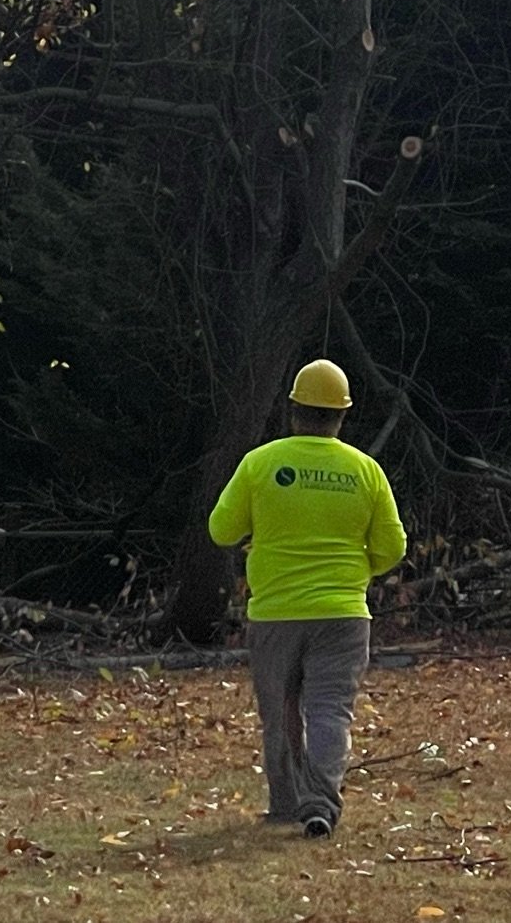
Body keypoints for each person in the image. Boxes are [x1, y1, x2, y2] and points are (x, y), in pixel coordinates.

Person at [207, 358, 407, 837]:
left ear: (293, 407)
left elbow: (220, 530)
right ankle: (320, 804)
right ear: (342, 415)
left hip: (275, 613)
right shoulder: (366, 471)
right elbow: (392, 548)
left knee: (280, 711)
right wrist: (356, 572)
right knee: (329, 710)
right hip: (343, 614)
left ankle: (284, 803)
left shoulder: (260, 463)